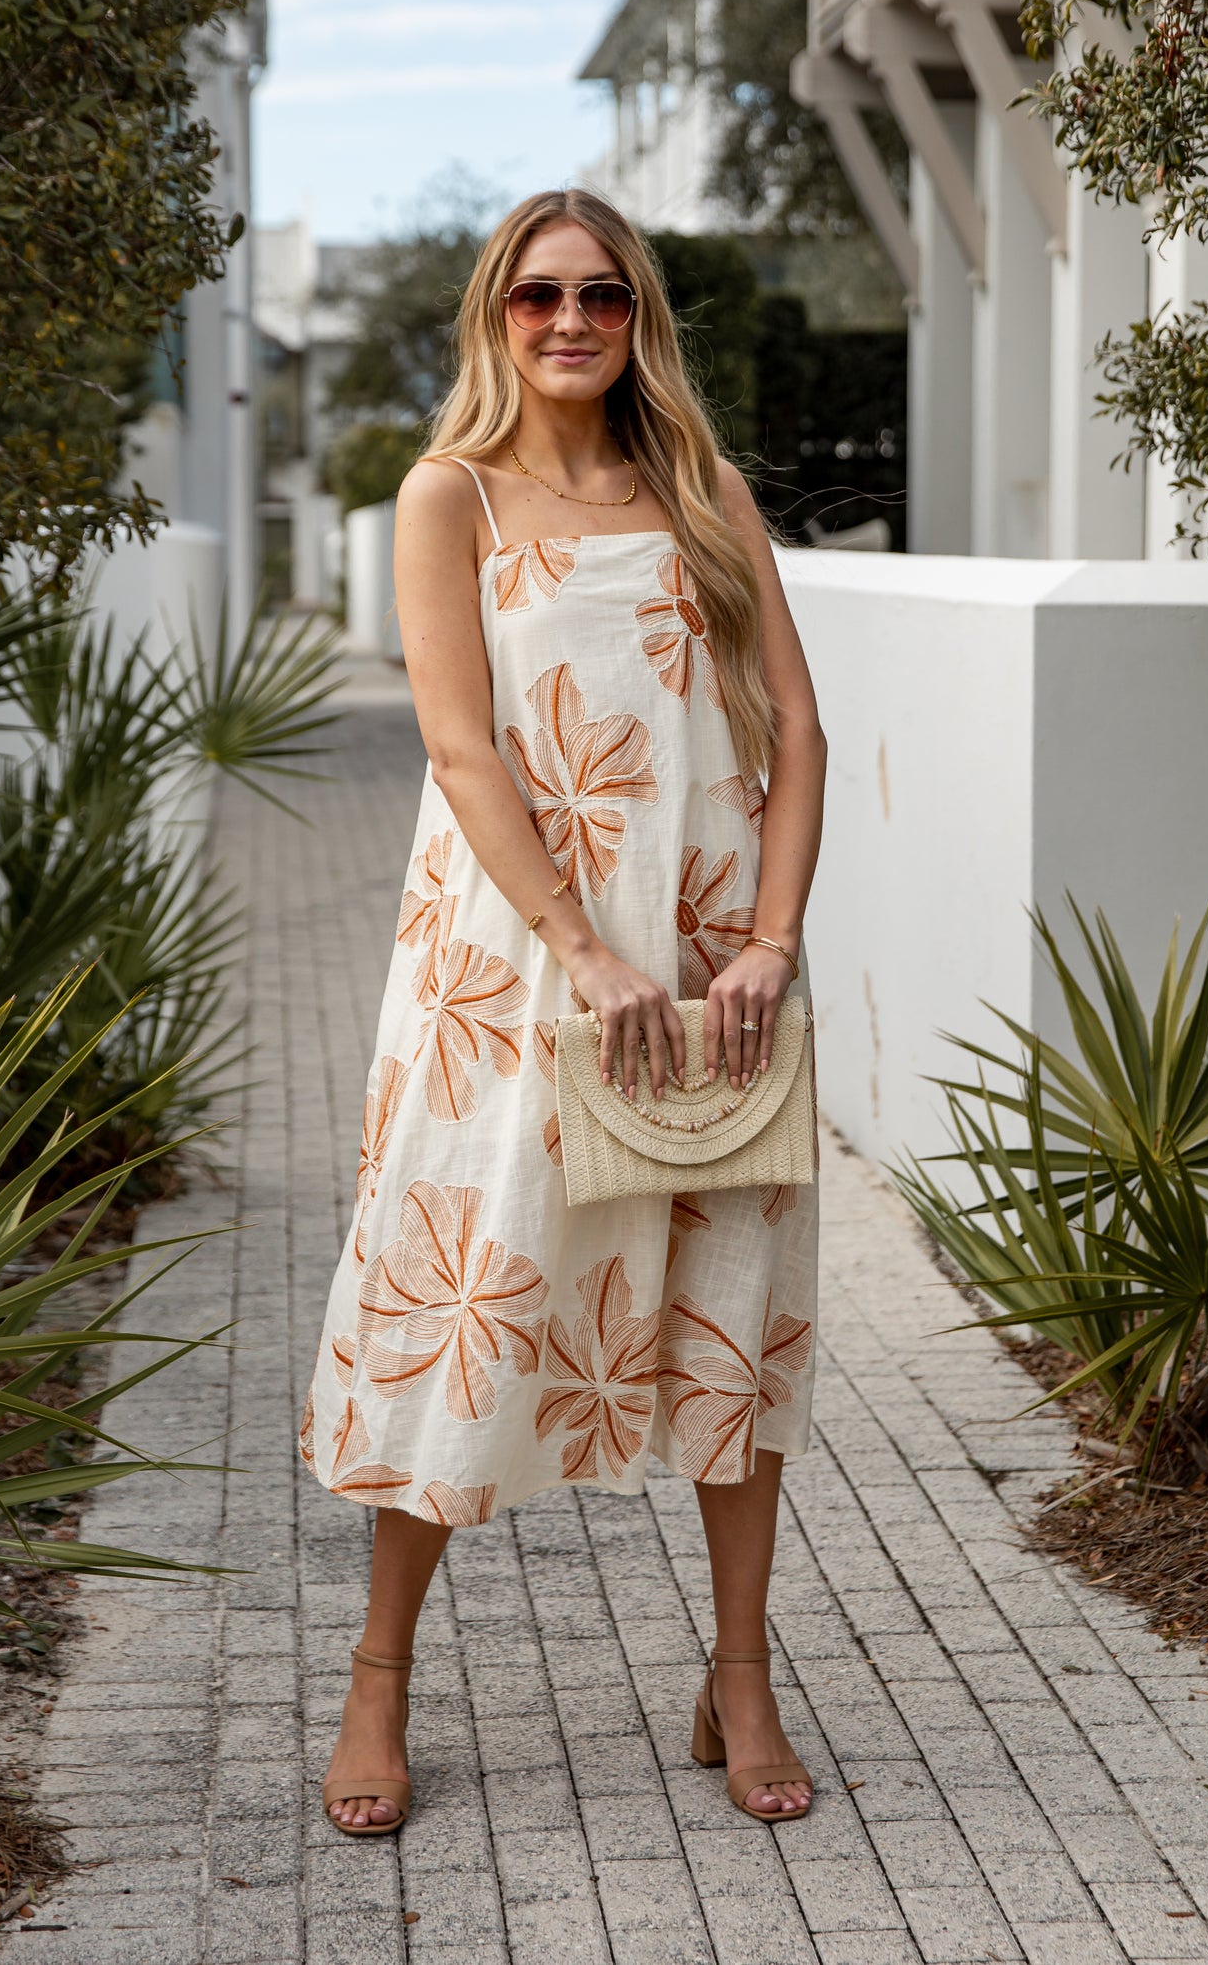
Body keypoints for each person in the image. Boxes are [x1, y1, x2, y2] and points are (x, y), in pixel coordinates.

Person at [304, 186, 826, 1836]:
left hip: (712, 966)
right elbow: (460, 747)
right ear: (496, 316)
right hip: (515, 965)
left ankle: (740, 1673)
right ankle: (380, 1674)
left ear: (638, 315)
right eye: (539, 295)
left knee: (730, 1310)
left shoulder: (707, 492)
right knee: (472, 1292)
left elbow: (796, 730)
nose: (572, 320)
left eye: (602, 293)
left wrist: (770, 942)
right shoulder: (448, 493)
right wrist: (581, 947)